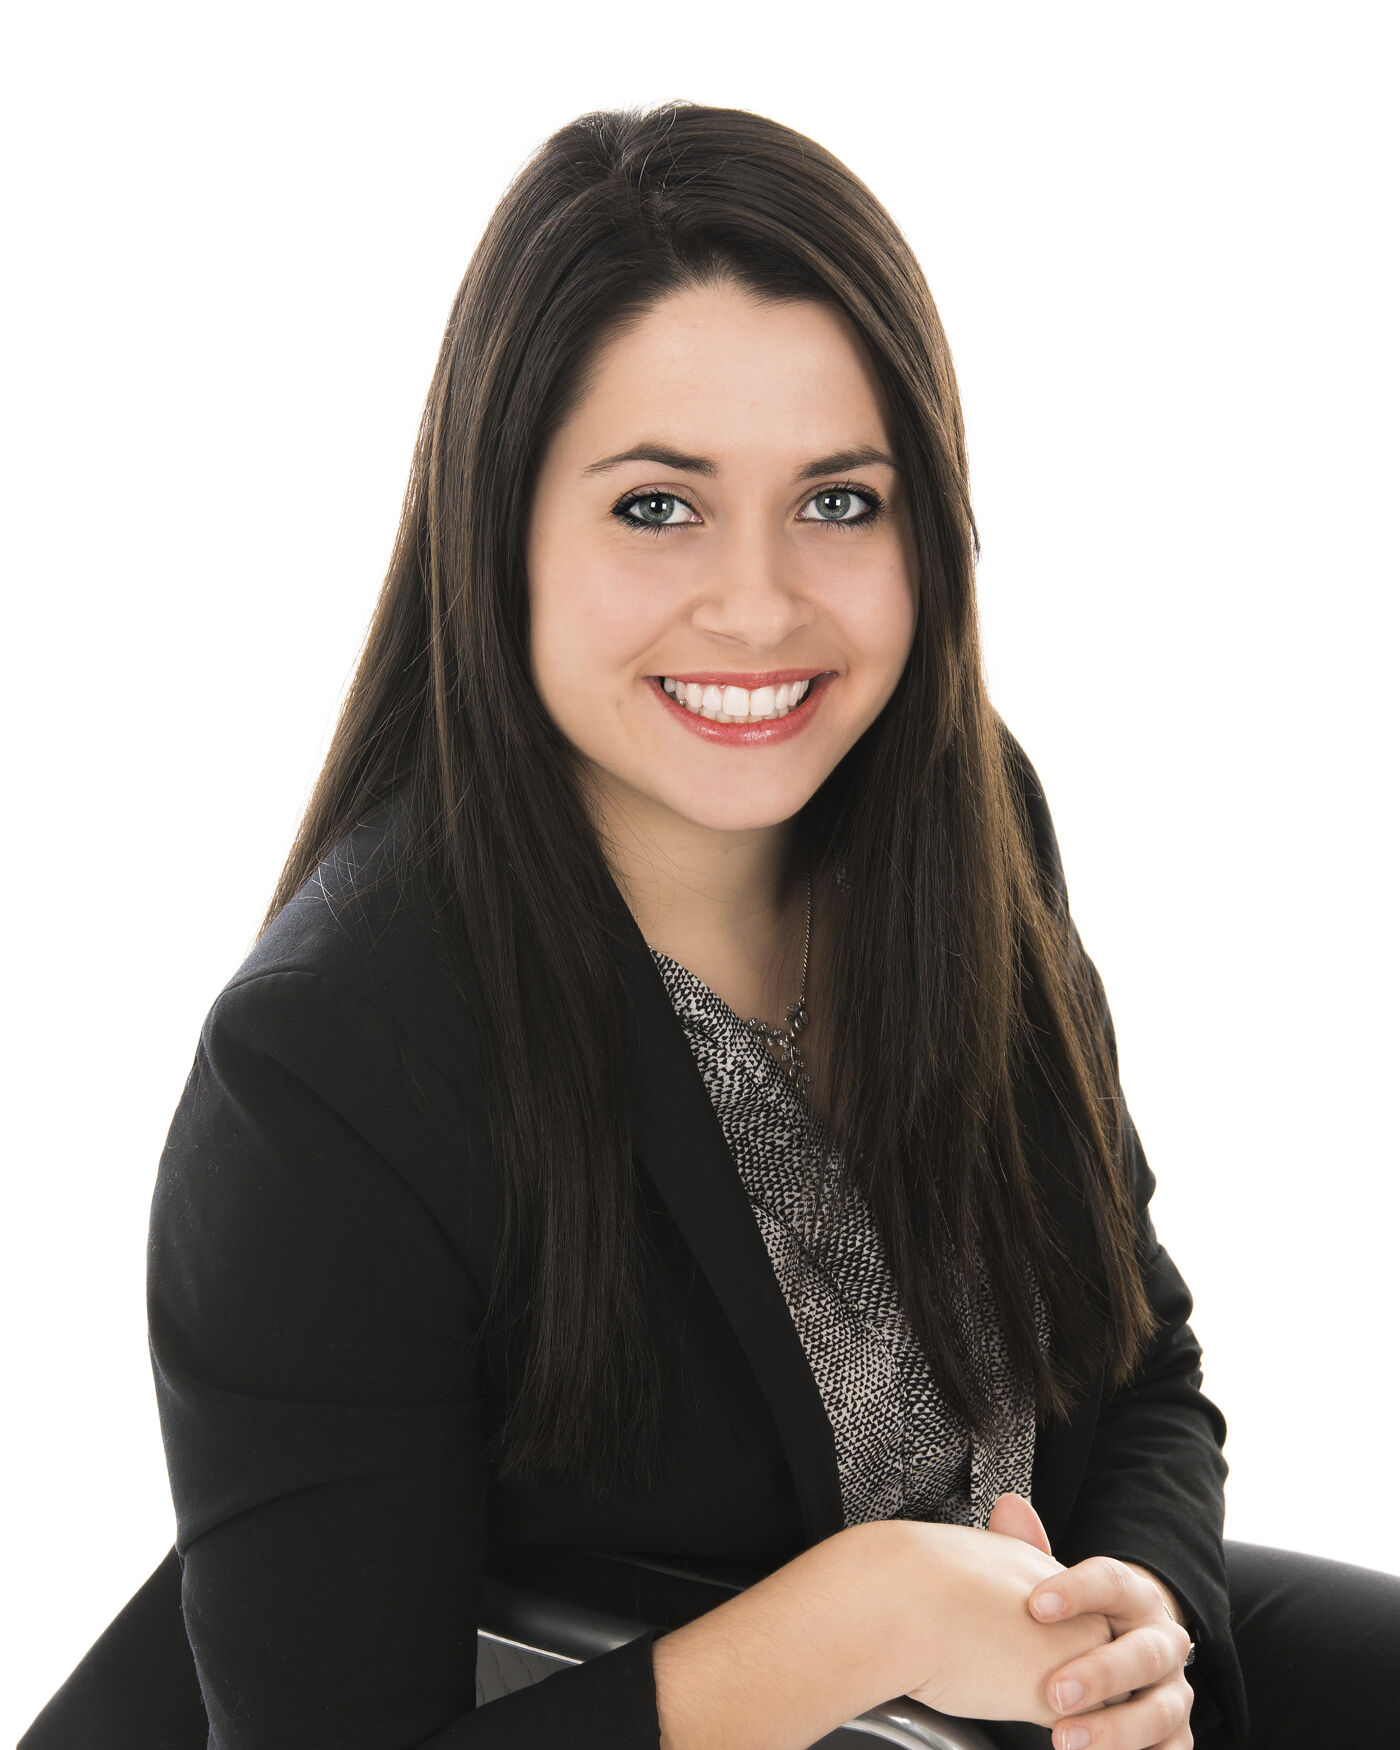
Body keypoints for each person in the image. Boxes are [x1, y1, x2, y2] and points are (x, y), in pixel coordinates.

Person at [18, 100, 1400, 1750]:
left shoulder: (960, 817)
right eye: (657, 505)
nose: (758, 602)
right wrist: (857, 1623)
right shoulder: (326, 1062)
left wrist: (1140, 1627)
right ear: (502, 531)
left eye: (840, 501)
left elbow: (1141, 1354)